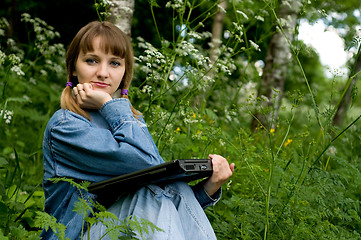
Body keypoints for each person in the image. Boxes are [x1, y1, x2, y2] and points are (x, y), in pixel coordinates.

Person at [41, 20, 235, 240]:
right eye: (92, 60)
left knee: (172, 189)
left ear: (124, 73)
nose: (103, 73)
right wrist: (108, 102)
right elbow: (146, 164)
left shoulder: (129, 120)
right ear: (73, 68)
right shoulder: (65, 127)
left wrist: (208, 187)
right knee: (147, 194)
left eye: (115, 63)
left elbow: (164, 200)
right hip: (74, 236)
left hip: (120, 229)